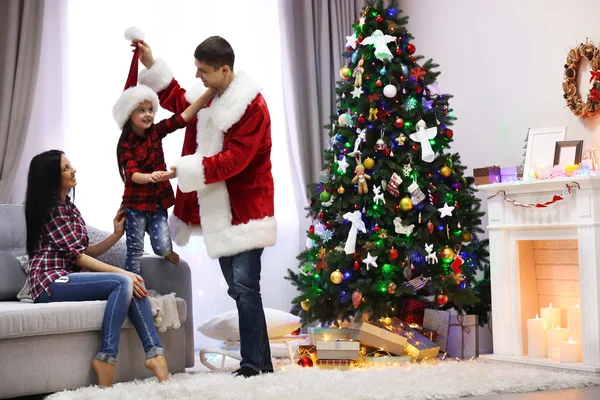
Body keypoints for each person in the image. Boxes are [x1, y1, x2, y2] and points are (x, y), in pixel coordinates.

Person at [135, 36, 277, 378]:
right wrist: (151, 63)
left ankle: (251, 365)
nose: (198, 76)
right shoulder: (213, 96)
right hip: (220, 209)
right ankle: (264, 363)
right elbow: (179, 99)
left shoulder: (251, 106)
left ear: (224, 69)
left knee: (244, 287)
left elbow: (234, 161)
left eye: (204, 71)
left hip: (246, 209)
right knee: (239, 288)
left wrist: (182, 169)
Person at [25, 150, 168, 387]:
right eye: (65, 168)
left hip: (67, 277)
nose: (73, 170)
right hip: (48, 283)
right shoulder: (52, 210)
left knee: (134, 282)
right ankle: (106, 358)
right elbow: (79, 258)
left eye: (70, 165)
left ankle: (156, 355)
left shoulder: (69, 207)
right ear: (51, 178)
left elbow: (84, 251)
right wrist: (122, 273)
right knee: (124, 281)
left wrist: (115, 235)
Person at [113, 29, 215, 275]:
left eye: (151, 109)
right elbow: (133, 174)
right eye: (141, 111)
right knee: (134, 249)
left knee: (161, 245)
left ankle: (165, 250)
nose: (148, 114)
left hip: (157, 201)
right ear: (129, 116)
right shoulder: (126, 143)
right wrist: (151, 177)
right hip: (135, 205)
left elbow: (184, 116)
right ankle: (133, 282)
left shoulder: (156, 131)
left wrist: (209, 93)